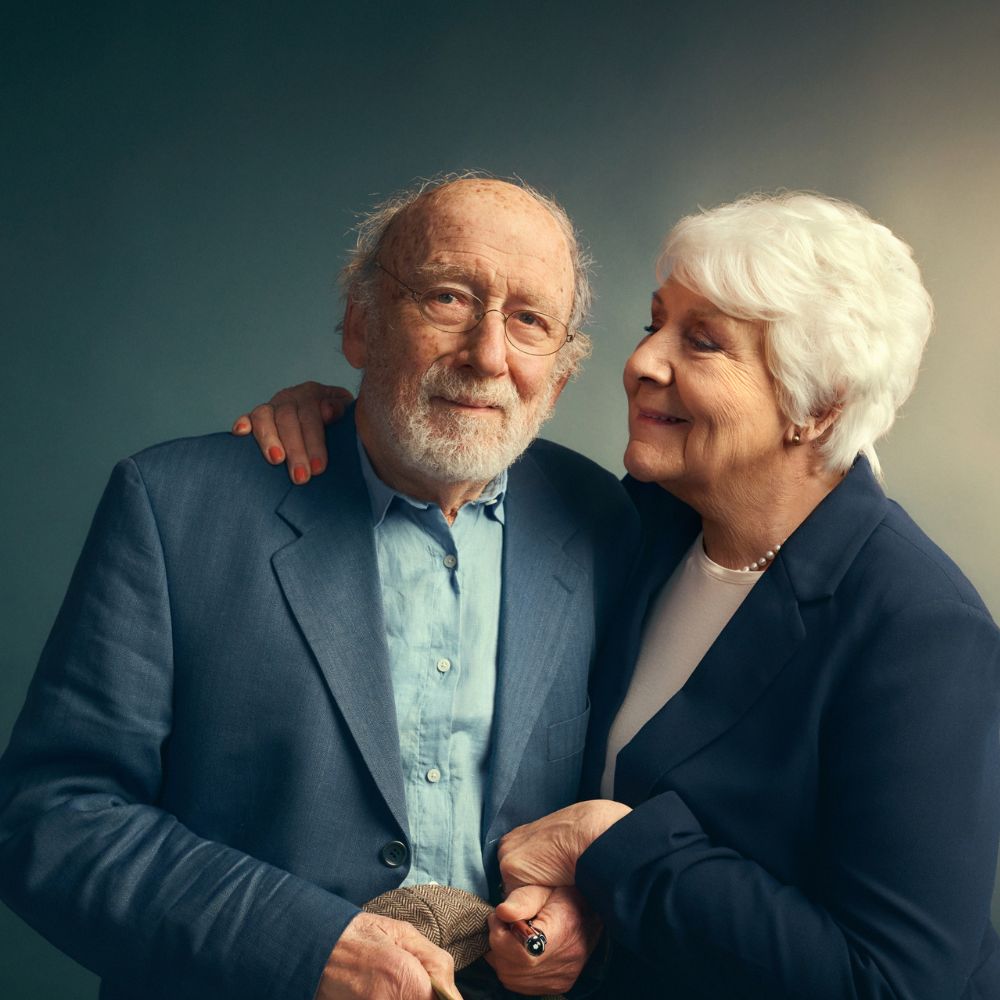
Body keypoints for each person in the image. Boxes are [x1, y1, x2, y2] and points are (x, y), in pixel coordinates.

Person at [241, 192, 1000, 998]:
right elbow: (447, 440)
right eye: (654, 324)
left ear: (819, 408)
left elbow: (892, 983)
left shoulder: (922, 632)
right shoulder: (637, 524)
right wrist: (342, 416)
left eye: (702, 342)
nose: (640, 362)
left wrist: (615, 846)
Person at [0, 176, 638, 1000]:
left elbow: (637, 802)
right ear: (362, 323)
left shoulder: (605, 525)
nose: (488, 355)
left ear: (560, 376)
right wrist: (307, 947)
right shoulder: (173, 507)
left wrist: (588, 909)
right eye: (449, 298)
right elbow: (51, 817)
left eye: (529, 321)